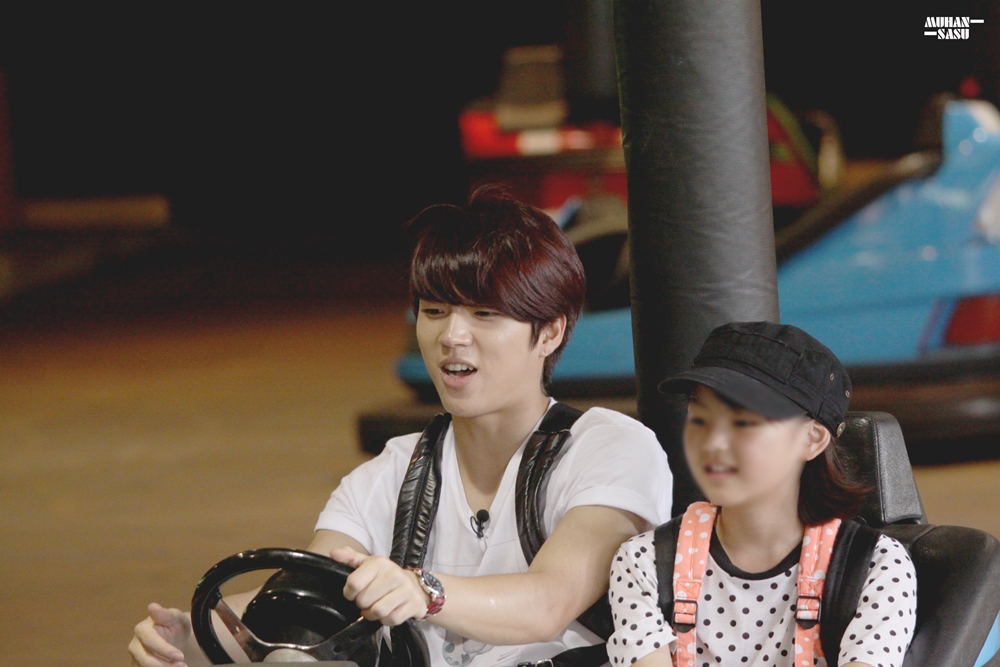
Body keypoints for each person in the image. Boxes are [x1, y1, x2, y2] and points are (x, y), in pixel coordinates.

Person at [129, 186, 673, 667]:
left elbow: (549, 600)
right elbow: (311, 603)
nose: (452, 336)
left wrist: (424, 590)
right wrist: (188, 640)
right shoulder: (388, 475)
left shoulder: (609, 448)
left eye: (484, 314)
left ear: (549, 332)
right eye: (435, 311)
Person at [606, 322, 917, 667]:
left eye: (742, 420)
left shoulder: (875, 567)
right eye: (700, 413)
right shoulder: (645, 562)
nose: (713, 442)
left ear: (812, 439)